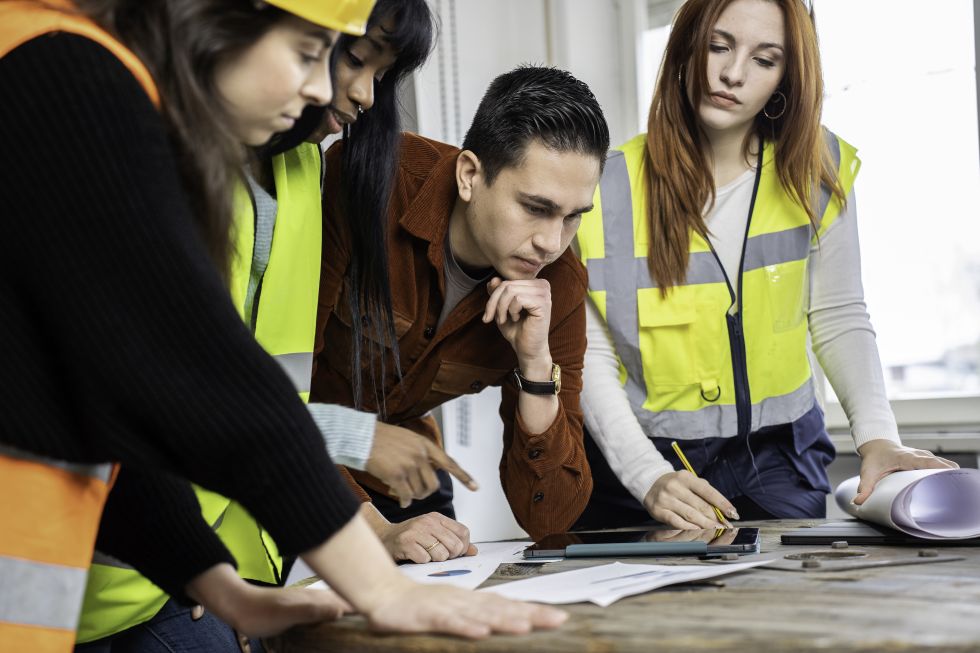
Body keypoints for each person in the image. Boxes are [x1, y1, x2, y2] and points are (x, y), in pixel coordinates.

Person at [0, 1, 567, 651]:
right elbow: (198, 378)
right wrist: (381, 587)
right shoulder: (67, 74)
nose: (326, 89)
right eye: (310, 51)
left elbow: (93, 407)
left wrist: (220, 587)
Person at [572, 0, 957, 531]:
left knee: (784, 603)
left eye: (764, 58)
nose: (732, 73)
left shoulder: (818, 169)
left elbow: (840, 315)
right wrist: (646, 475)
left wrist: (878, 438)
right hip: (647, 460)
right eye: (719, 45)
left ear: (786, 76)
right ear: (687, 45)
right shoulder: (603, 186)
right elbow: (587, 354)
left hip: (780, 458)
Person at [311, 64, 610, 563]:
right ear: (471, 175)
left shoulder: (558, 282)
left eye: (574, 216)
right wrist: (373, 530)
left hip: (403, 476)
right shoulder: (370, 182)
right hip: (288, 455)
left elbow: (550, 519)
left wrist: (535, 369)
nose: (551, 242)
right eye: (536, 208)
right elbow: (268, 387)